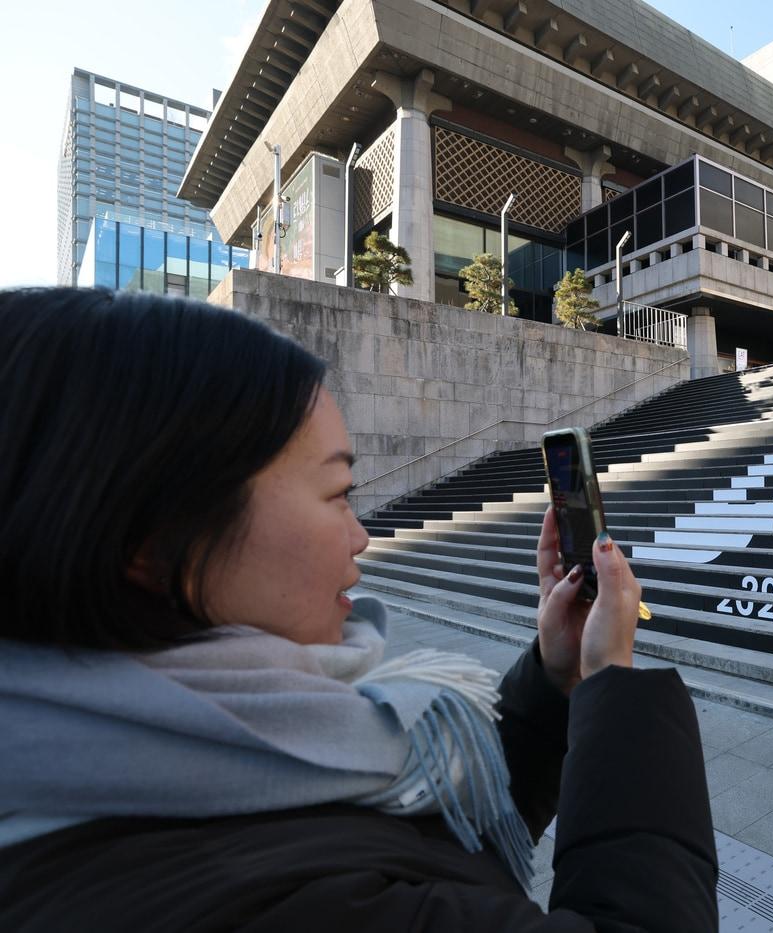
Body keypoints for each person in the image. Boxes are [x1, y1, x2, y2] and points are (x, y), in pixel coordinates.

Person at [0, 288, 717, 931]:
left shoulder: (219, 759)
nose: (361, 533)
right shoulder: (235, 894)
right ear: (151, 540)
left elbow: (430, 851)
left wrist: (555, 677)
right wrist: (609, 685)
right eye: (336, 492)